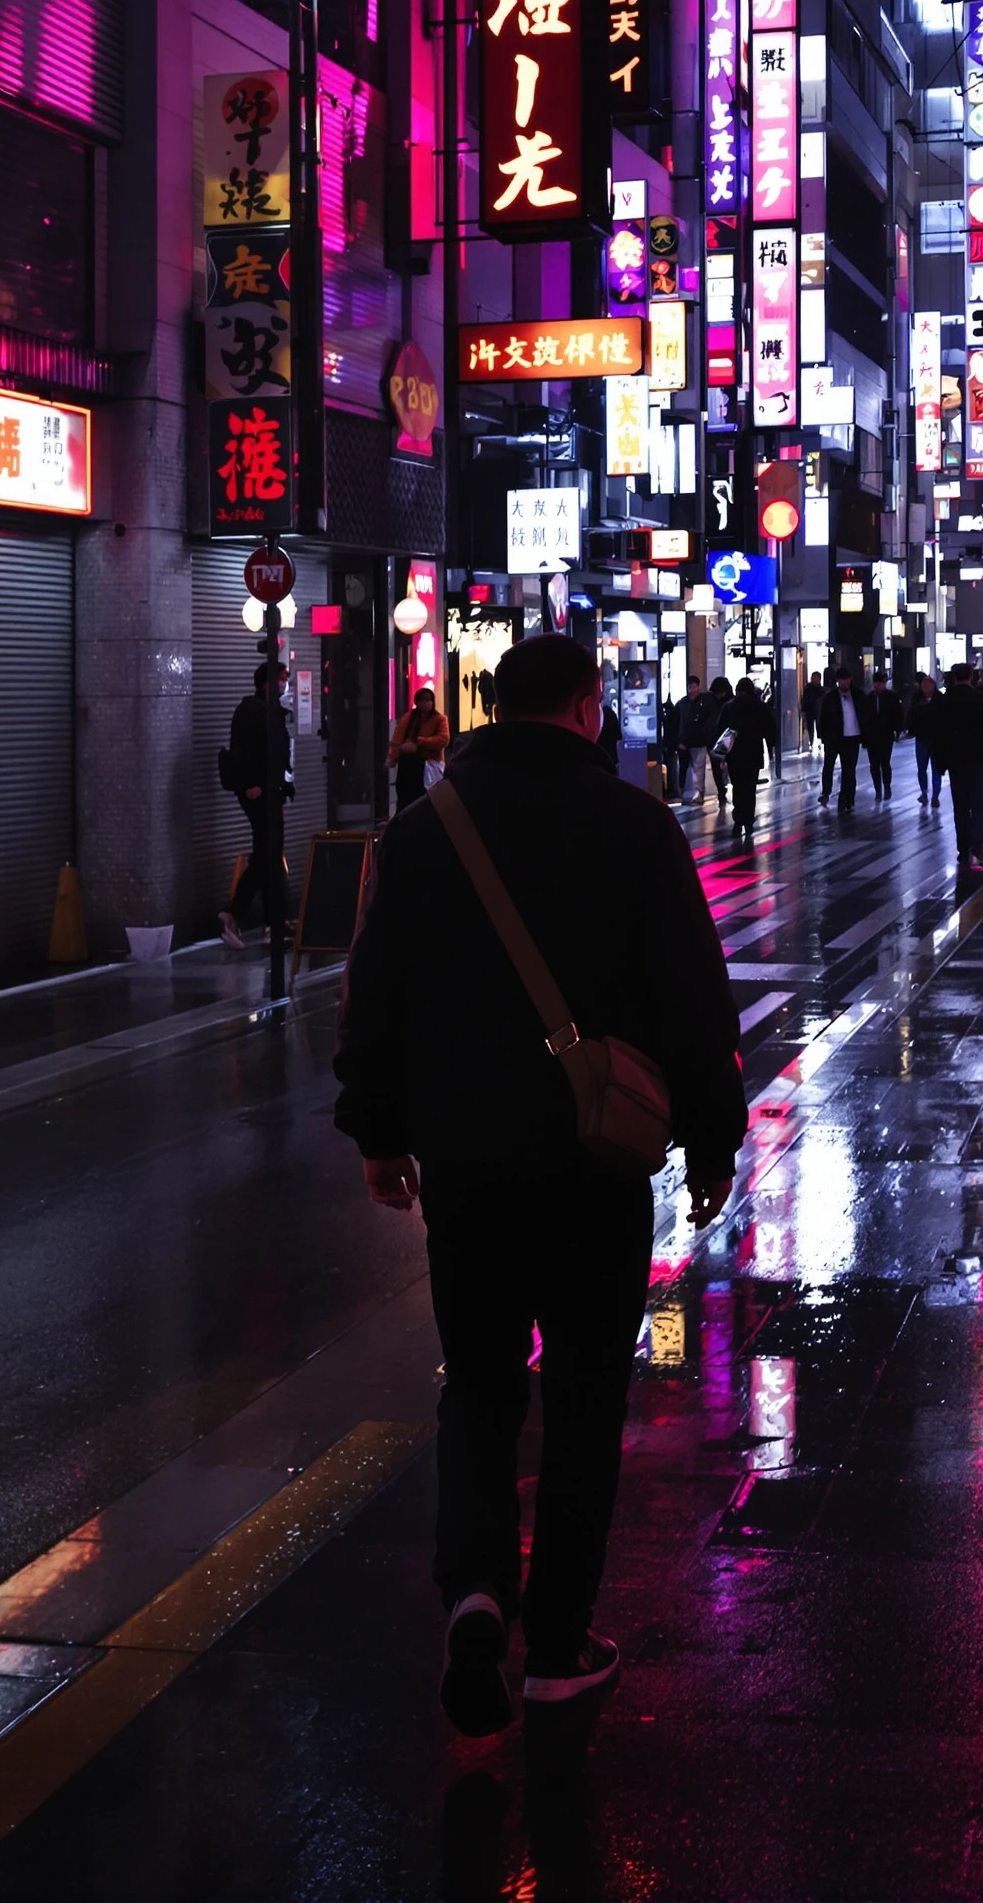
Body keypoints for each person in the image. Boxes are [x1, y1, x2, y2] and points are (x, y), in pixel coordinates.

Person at [334, 634, 746, 1734]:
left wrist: (379, 1134)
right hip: (595, 1161)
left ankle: (474, 1591)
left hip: (466, 1161)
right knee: (581, 1392)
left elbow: (372, 996)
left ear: (489, 709)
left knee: (476, 1383)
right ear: (584, 708)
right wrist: (712, 1145)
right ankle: (558, 1641)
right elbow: (695, 1006)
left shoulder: (422, 835)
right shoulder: (636, 827)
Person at [219, 660, 291, 951]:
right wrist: (253, 784)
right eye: (282, 679)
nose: (286, 684)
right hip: (259, 793)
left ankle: (268, 923)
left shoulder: (267, 710)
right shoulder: (251, 711)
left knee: (269, 856)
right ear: (267, 683)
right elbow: (245, 751)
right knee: (267, 856)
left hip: (270, 791)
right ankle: (238, 915)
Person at [936, 662, 983, 870]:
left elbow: (939, 733)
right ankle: (977, 845)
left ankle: (962, 848)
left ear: (955, 677)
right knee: (979, 804)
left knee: (961, 806)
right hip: (980, 759)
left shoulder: (946, 702)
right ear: (971, 676)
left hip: (956, 760)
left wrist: (941, 760)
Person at [388, 686, 450, 812]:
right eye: (422, 700)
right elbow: (397, 739)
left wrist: (419, 743)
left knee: (424, 799)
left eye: (428, 700)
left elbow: (443, 739)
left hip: (427, 764)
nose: (425, 704)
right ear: (416, 702)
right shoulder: (408, 717)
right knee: (405, 797)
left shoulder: (439, 719)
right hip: (407, 764)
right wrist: (393, 757)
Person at [724, 676, 769, 837]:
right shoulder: (759, 707)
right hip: (752, 754)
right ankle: (748, 822)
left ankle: (738, 820)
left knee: (738, 788)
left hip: (734, 755)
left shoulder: (729, 708)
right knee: (749, 789)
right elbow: (768, 728)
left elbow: (721, 730)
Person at [817, 668, 864, 809]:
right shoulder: (830, 697)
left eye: (846, 679)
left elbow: (865, 715)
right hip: (833, 737)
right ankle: (826, 793)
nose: (843, 682)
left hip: (852, 737)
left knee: (849, 770)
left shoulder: (858, 695)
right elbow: (823, 717)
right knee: (828, 766)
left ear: (850, 680)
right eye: (841, 680)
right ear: (837, 681)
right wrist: (823, 736)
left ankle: (847, 797)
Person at [861, 669, 902, 802]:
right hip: (872, 736)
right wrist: (864, 737)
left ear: (884, 684)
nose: (877, 686)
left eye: (880, 683)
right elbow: (864, 719)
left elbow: (898, 715)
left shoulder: (891, 697)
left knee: (885, 762)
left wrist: (897, 730)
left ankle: (886, 785)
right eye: (875, 683)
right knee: (874, 765)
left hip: (886, 735)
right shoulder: (868, 699)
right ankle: (878, 789)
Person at [678, 674, 717, 805]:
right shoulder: (685, 703)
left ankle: (698, 793)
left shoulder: (689, 703)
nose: (692, 690)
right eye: (690, 687)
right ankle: (689, 792)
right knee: (690, 768)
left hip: (697, 741)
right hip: (688, 741)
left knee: (697, 768)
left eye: (694, 687)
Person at [908, 672, 943, 807]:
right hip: (925, 738)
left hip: (932, 739)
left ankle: (933, 794)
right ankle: (927, 793)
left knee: (933, 768)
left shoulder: (923, 700)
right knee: (925, 768)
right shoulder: (919, 700)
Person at [800, 671, 825, 754]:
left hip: (817, 711)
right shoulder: (809, 688)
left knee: (818, 726)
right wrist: (803, 710)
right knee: (810, 727)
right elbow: (804, 700)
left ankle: (819, 742)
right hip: (810, 711)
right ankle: (811, 742)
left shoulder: (820, 689)